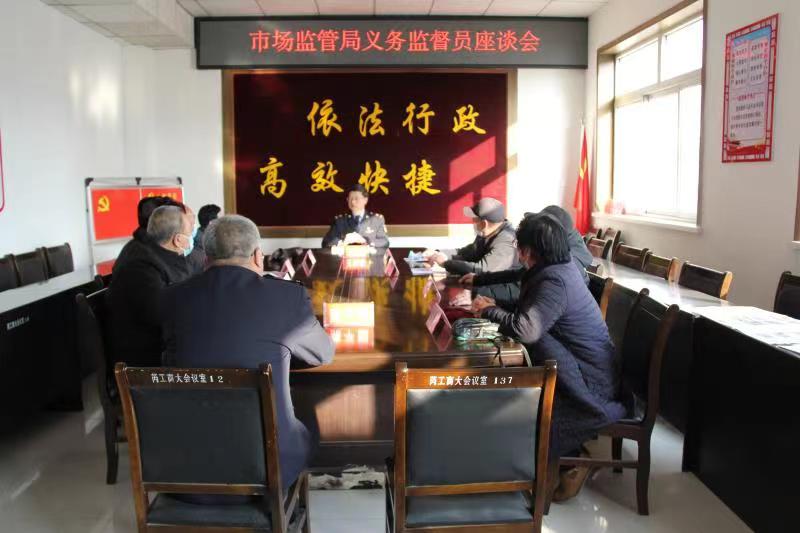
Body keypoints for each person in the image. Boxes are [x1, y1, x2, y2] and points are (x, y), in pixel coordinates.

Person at [161, 215, 335, 494]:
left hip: (187, 468)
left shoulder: (173, 298)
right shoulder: (287, 298)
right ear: (257, 256)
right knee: (308, 425)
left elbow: (169, 357)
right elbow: (323, 354)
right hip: (268, 469)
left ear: (206, 258)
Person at [472, 214, 627, 501]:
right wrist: (496, 304)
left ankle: (566, 465)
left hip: (591, 383)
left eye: (520, 247)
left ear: (530, 250)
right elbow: (532, 308)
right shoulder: (558, 269)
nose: (518, 253)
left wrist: (489, 311)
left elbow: (528, 329)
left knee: (529, 378)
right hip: (586, 367)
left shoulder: (555, 280)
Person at [109, 205, 195, 367]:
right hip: (146, 359)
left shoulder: (156, 253)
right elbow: (159, 314)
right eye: (190, 233)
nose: (192, 237)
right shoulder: (141, 265)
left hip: (164, 345)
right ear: (177, 240)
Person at [460, 205, 594, 306]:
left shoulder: (564, 263)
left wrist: (476, 294)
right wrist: (479, 280)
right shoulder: (553, 253)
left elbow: (523, 292)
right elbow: (520, 275)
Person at [424, 197, 519, 276]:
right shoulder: (486, 233)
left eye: (474, 220)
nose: (473, 222)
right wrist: (439, 253)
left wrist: (446, 263)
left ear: (484, 224)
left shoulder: (506, 242)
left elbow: (481, 270)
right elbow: (467, 253)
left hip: (502, 290)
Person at [321, 184, 389, 248]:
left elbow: (385, 242)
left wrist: (367, 242)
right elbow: (326, 242)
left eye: (356, 198)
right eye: (350, 199)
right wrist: (342, 242)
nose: (353, 202)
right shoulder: (340, 221)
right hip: (346, 256)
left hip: (369, 256)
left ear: (365, 200)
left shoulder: (376, 220)